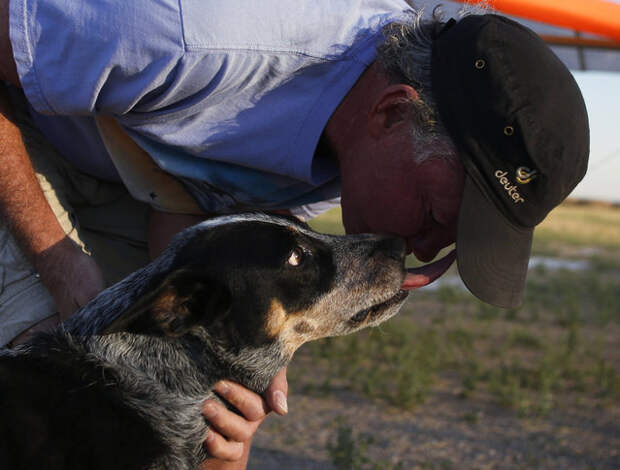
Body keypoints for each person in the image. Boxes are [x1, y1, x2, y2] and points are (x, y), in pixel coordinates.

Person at [0, 0, 589, 468]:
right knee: (58, 390)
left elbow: (186, 215)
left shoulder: (365, 145)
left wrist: (233, 389)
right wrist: (61, 265)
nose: (429, 249)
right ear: (391, 113)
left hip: (130, 171)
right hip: (20, 126)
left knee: (173, 420)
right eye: (438, 212)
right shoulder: (191, 28)